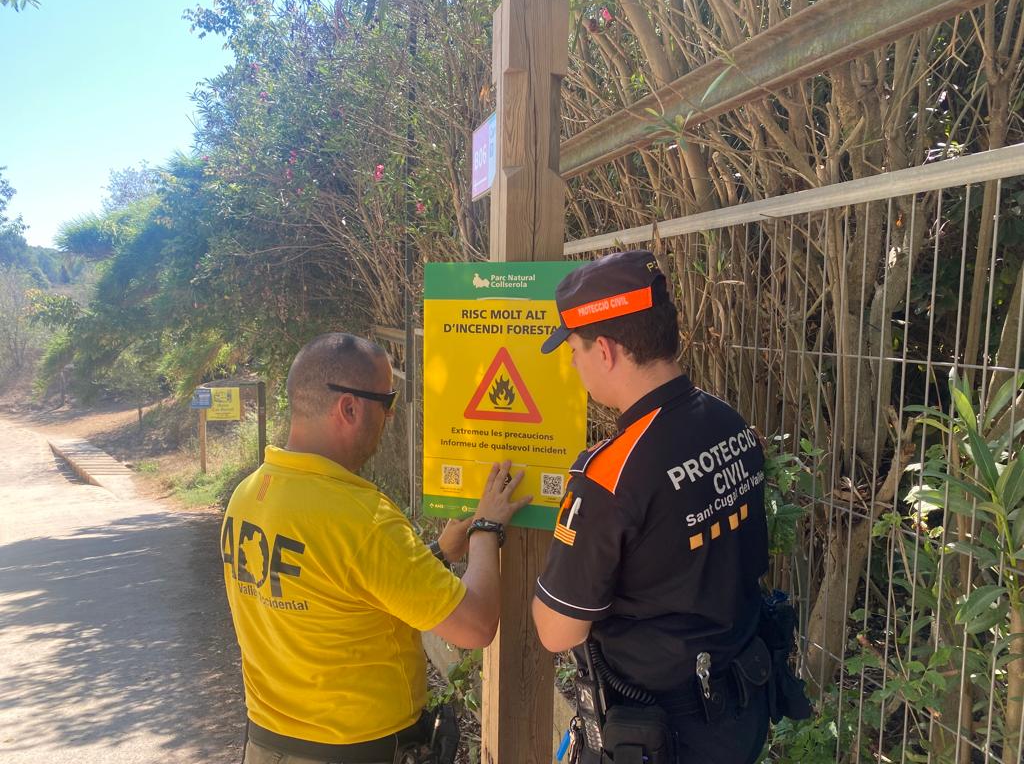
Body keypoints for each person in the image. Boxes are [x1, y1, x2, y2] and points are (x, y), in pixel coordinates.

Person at [221, 333, 530, 764]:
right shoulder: (361, 518)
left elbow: (337, 588)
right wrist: (486, 527)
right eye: (387, 403)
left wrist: (436, 555)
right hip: (359, 751)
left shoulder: (249, 496)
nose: (388, 418)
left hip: (267, 746)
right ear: (349, 407)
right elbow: (476, 626)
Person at [532, 250, 772, 764]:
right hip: (740, 707)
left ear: (606, 350)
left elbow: (556, 631)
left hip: (661, 733)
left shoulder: (608, 476)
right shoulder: (730, 424)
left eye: (573, 349)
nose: (572, 362)